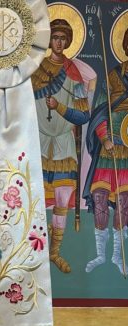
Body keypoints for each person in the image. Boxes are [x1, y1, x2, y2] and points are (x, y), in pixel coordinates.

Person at [32, 19, 90, 273]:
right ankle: (33, 250)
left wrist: (60, 107)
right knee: (33, 197)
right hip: (38, 141)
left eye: (63, 38)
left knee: (62, 199)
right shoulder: (36, 69)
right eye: (55, 37)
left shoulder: (73, 74)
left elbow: (83, 115)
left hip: (64, 144)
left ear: (67, 42)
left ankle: (54, 252)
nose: (58, 42)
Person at [83, 28, 128, 275]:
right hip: (110, 146)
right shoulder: (114, 75)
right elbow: (100, 108)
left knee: (124, 202)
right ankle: (100, 255)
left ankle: (117, 257)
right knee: (100, 197)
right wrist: (104, 137)